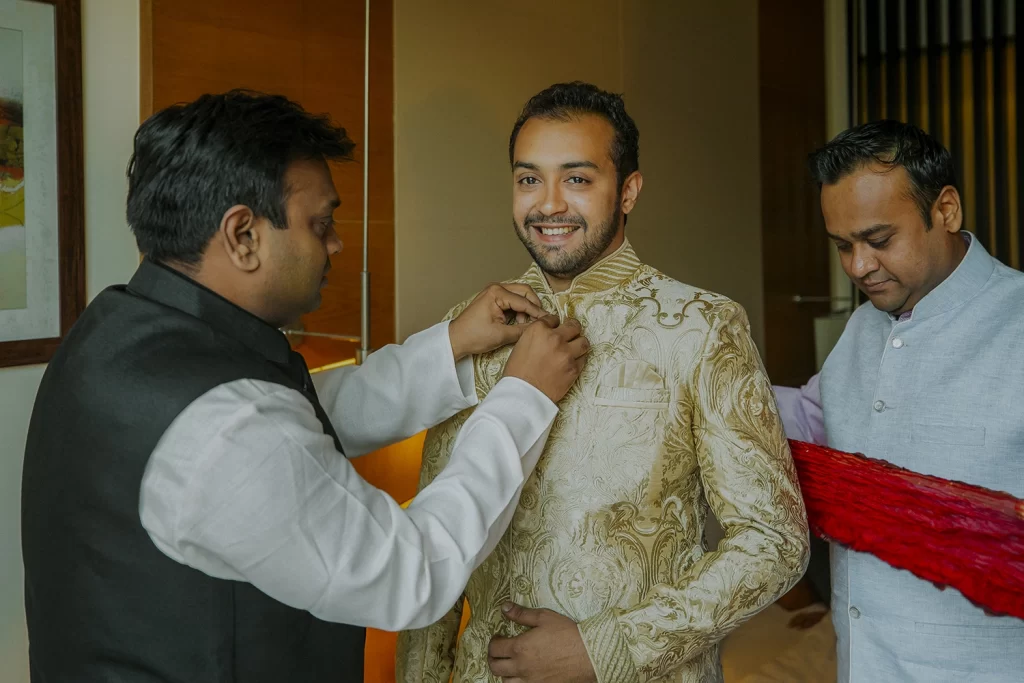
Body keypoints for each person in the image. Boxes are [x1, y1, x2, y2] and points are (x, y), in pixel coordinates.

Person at [20, 90, 591, 683]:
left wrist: (450, 349)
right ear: (243, 235)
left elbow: (293, 417)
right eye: (321, 225)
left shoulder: (115, 331)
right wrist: (521, 399)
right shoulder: (228, 430)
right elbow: (410, 573)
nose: (337, 244)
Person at [395, 82, 810, 683]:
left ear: (629, 190)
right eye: (529, 179)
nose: (549, 204)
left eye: (578, 179)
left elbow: (774, 538)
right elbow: (431, 546)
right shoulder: (474, 327)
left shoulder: (700, 326)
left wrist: (609, 647)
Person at [774, 120, 1024, 682]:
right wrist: (697, 380)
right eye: (843, 246)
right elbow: (814, 418)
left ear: (947, 210)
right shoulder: (864, 327)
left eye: (879, 240)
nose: (858, 266)